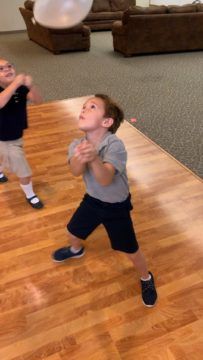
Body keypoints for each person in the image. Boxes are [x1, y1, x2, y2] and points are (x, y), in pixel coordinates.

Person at [52, 94, 157, 307]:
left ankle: (146, 278)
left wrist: (94, 158)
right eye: (83, 106)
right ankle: (76, 250)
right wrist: (80, 157)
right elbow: (74, 171)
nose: (83, 109)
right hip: (92, 200)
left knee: (130, 250)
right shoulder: (77, 144)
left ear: (106, 122)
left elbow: (105, 178)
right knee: (72, 231)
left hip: (116, 207)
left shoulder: (114, 145)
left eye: (91, 107)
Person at [0, 58, 43, 209]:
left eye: (9, 66)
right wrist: (16, 83)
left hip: (16, 135)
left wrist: (30, 86)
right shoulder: (14, 86)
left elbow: (38, 100)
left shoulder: (20, 88)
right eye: (1, 69)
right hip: (4, 138)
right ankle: (30, 194)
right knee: (23, 170)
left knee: (3, 156)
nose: (7, 69)